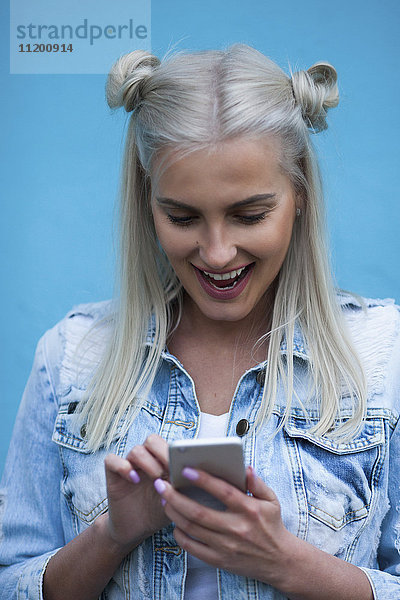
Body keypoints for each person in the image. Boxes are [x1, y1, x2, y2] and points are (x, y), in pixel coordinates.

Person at [0, 43, 399, 600]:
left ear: (301, 193)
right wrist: (113, 533)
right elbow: (12, 580)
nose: (216, 253)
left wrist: (287, 563)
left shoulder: (386, 357)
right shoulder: (69, 357)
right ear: (147, 201)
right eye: (182, 217)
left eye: (249, 214)